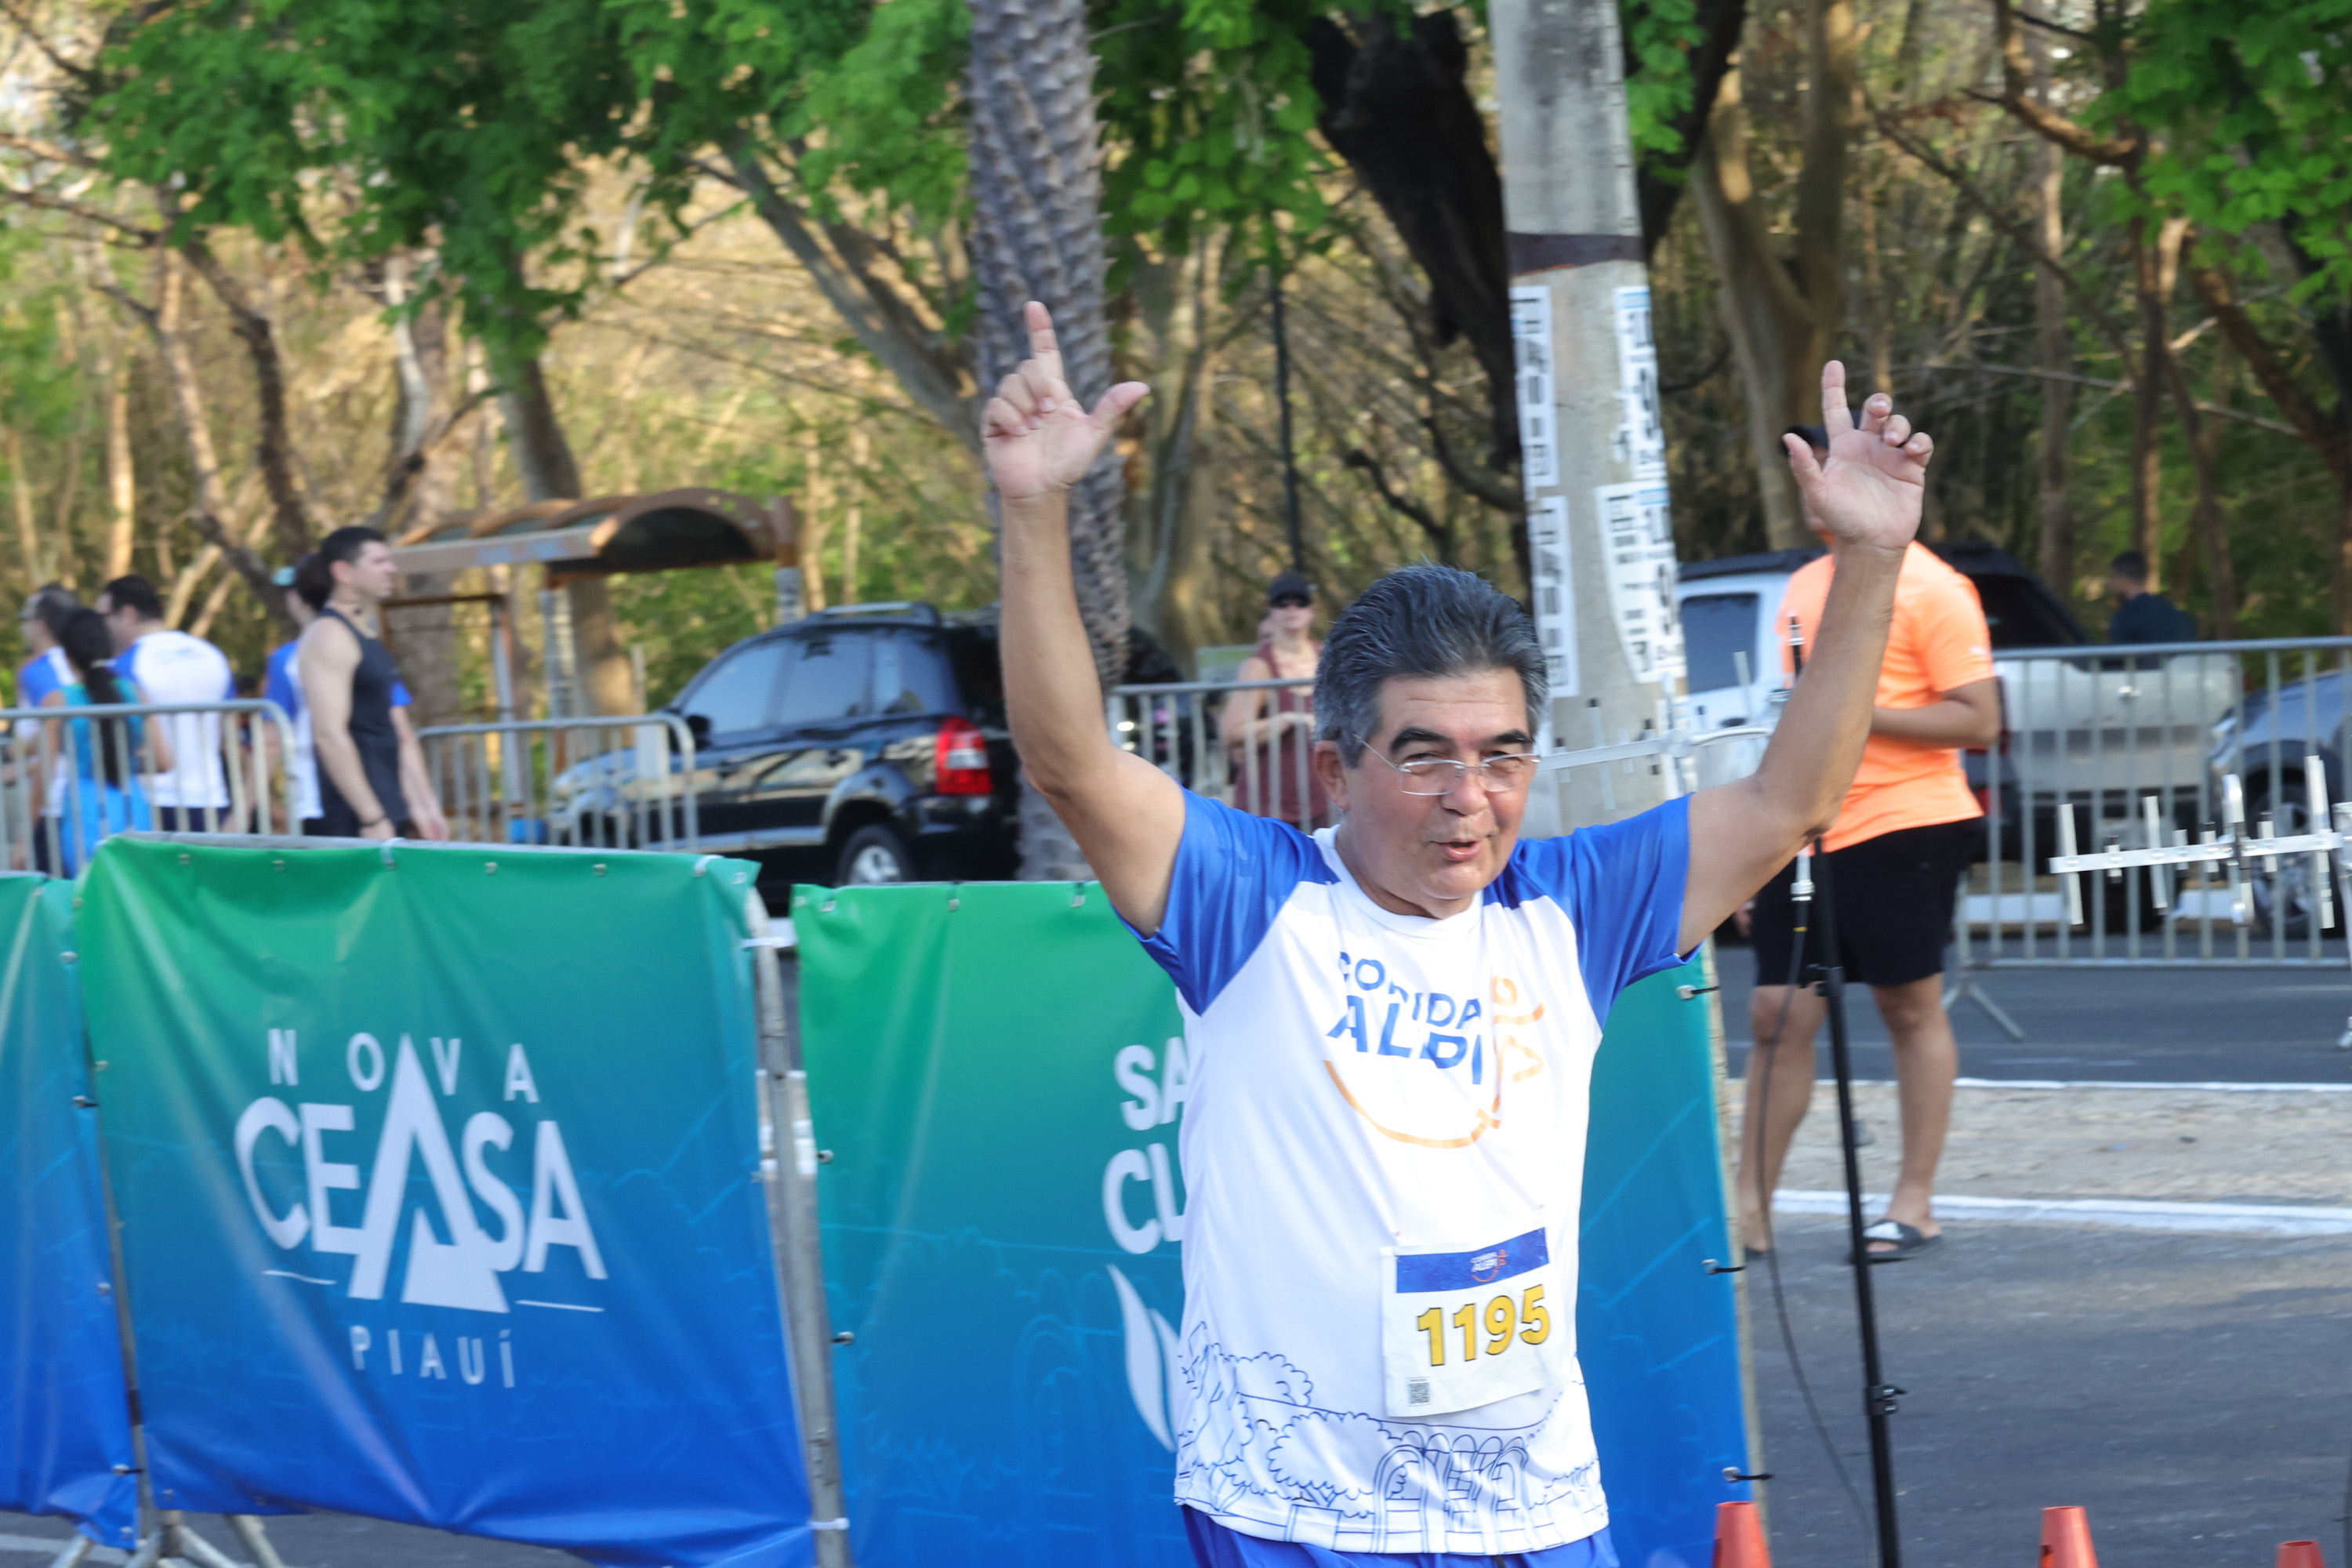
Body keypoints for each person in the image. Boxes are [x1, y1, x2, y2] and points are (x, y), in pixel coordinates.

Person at [986, 302, 1933, 1563]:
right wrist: (1034, 511)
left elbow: (1790, 803)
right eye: (1422, 756)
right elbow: (1068, 761)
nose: (1466, 800)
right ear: (1335, 770)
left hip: (1532, 1512)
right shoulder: (1251, 902)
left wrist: (1870, 560)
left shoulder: (1570, 911)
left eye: (1501, 759)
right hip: (1296, 1514)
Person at [1737, 424, 2002, 1263]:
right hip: (1808, 823)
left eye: (1819, 467)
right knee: (1777, 1011)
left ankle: (1912, 1201)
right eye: (1801, 472)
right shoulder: (1800, 587)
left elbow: (1980, 719)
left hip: (1908, 821)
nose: (1808, 485)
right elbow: (1788, 723)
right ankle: (1749, 1207)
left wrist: (1850, 707)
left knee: (1906, 1006)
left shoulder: (1933, 586)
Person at [297, 527, 447, 840]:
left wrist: (425, 807)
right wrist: (371, 818)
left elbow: (397, 731)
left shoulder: (366, 634)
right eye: (378, 562)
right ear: (343, 572)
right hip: (355, 818)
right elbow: (329, 735)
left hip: (390, 806)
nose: (391, 569)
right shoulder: (329, 635)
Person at [99, 574, 238, 832]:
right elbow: (228, 733)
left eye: (104, 616)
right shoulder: (211, 654)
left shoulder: (124, 666)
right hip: (212, 798)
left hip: (154, 801)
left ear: (128, 614)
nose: (102, 627)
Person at [36, 607, 171, 874]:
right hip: (134, 805)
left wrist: (23, 838)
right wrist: (125, 761)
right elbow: (164, 762)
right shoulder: (134, 692)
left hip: (84, 810)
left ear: (66, 654)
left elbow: (44, 773)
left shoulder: (58, 702)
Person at [1219, 571, 1329, 829]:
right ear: (1271, 611)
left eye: (1299, 602)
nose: (1292, 609)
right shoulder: (1259, 666)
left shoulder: (1328, 659)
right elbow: (1232, 732)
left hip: (1324, 804)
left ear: (1311, 609)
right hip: (1269, 809)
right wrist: (1284, 720)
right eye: (1283, 603)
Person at [15, 584, 80, 871]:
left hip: (53, 805)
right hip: (90, 801)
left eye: (25, 620)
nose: (23, 628)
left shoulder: (38, 671)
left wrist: (24, 835)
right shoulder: (83, 664)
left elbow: (50, 746)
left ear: (40, 625)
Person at [2106, 550, 2198, 644]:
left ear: (2123, 577)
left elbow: (2117, 654)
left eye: (2112, 575)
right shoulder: (2175, 614)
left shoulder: (2125, 617)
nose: (2110, 581)